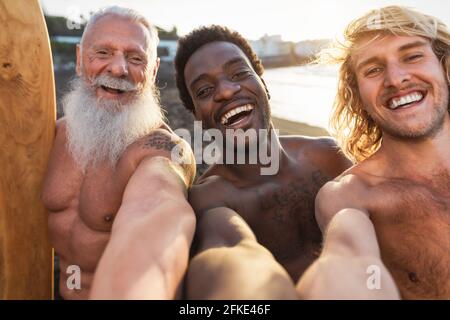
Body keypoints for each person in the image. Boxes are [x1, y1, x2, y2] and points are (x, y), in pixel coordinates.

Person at [174, 25, 352, 299]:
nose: (226, 91)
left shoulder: (328, 156)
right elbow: (227, 250)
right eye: (205, 89)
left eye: (240, 74)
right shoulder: (210, 198)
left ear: (264, 84)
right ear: (197, 116)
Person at [42, 6, 196, 299]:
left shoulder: (162, 151)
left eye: (135, 58)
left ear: (152, 72)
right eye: (103, 53)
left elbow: (156, 212)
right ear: (79, 60)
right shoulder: (54, 134)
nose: (118, 68)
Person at [297, 5, 449, 299]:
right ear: (357, 94)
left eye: (412, 55)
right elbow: (348, 258)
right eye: (374, 70)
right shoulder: (350, 196)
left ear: (443, 65)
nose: (395, 78)